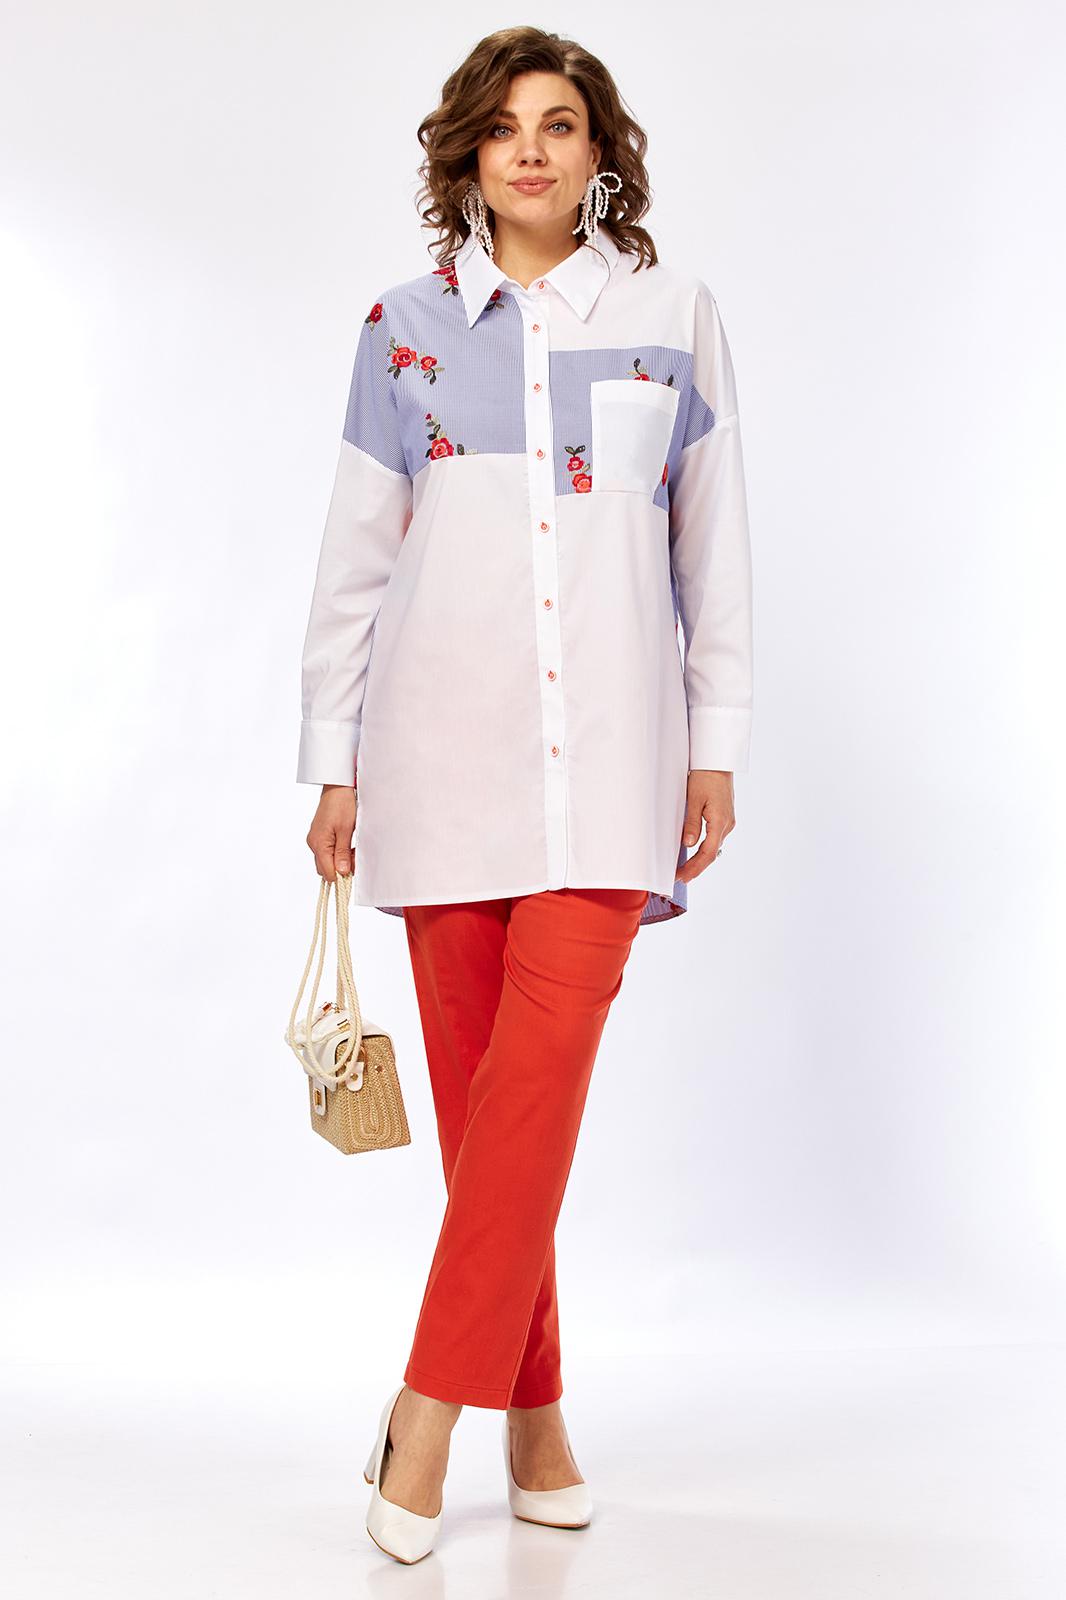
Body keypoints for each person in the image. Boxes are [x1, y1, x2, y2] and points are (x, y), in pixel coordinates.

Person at [296, 26, 753, 1565]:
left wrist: (715, 737)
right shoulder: (403, 330)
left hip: (612, 771)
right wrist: (332, 760)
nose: (533, 151)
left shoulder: (672, 315)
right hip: (438, 764)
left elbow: (711, 545)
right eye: (504, 130)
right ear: (468, 159)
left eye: (559, 124)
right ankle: (539, 1415)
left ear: (598, 150)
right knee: (493, 1126)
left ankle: (424, 1413)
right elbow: (354, 563)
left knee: (533, 1097)